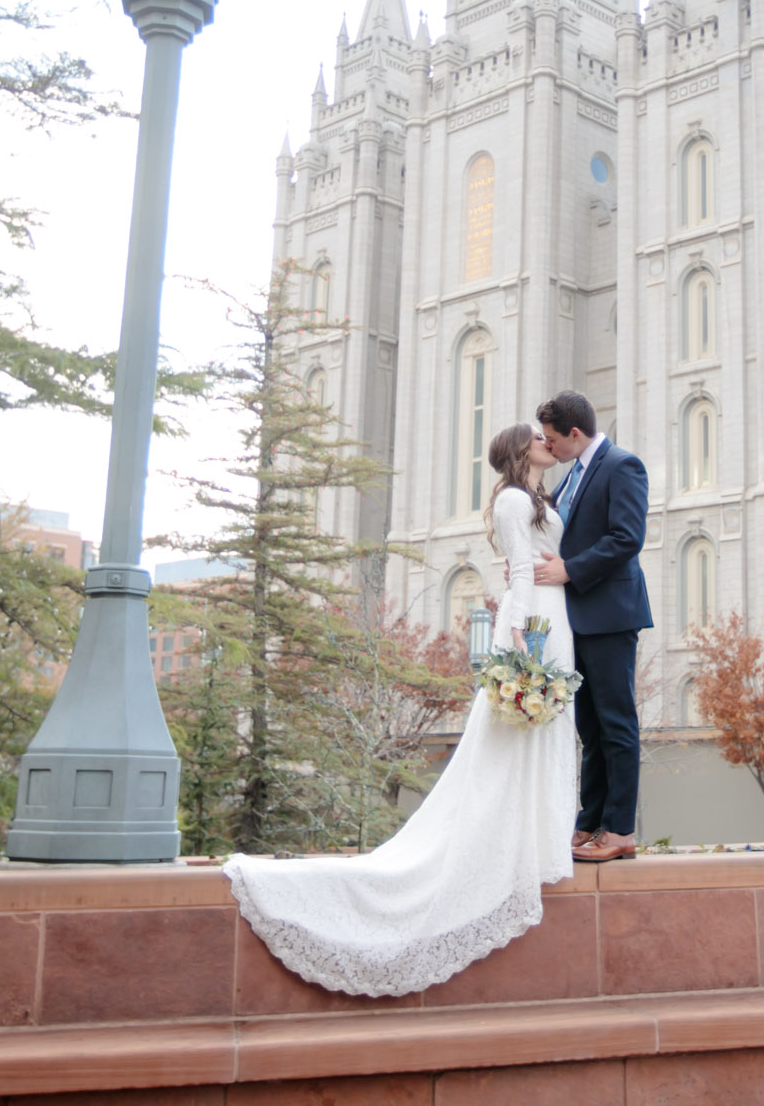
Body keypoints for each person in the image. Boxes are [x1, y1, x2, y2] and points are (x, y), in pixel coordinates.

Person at [221, 422, 577, 997]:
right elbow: (515, 570)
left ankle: (535, 841)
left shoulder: (540, 497)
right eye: (536, 436)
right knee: (520, 734)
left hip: (553, 617)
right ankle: (505, 849)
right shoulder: (514, 499)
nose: (545, 440)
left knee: (545, 731)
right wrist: (522, 645)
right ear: (519, 451)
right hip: (534, 621)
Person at [532, 389, 653, 863]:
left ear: (575, 434)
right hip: (577, 617)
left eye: (553, 439)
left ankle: (620, 830)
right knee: (590, 725)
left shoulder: (623, 465)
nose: (551, 447)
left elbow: (627, 538)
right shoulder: (571, 477)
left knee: (617, 722)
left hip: (610, 614)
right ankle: (590, 821)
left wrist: (569, 570)